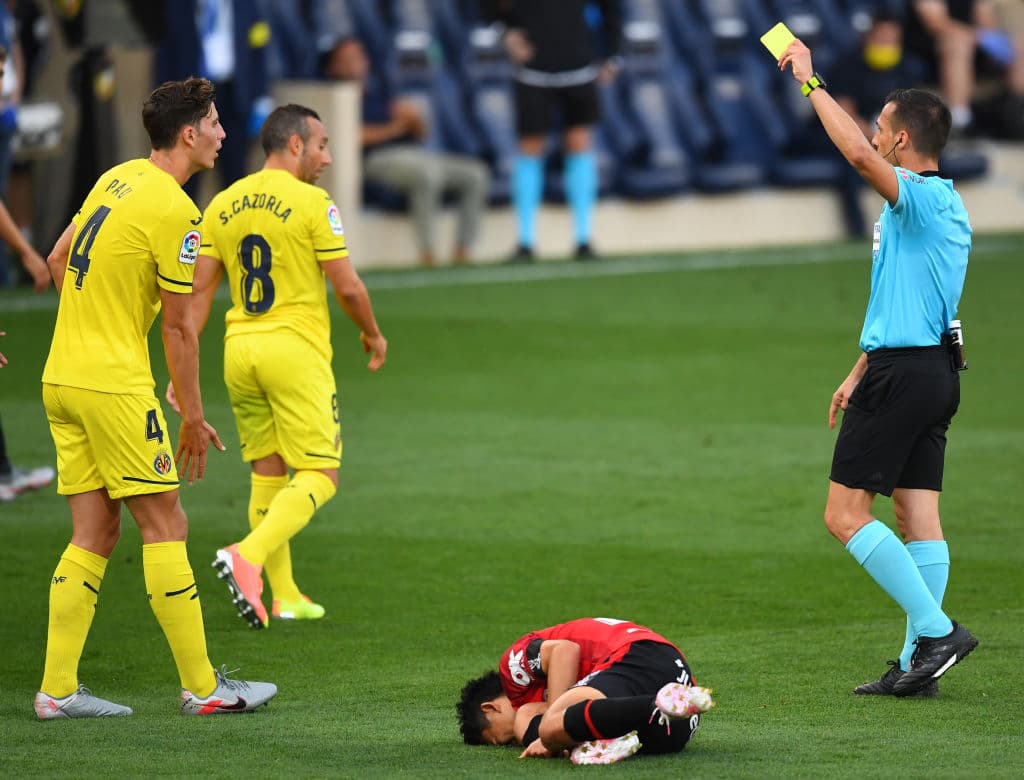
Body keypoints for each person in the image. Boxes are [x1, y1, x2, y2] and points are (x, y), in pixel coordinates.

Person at [36, 76, 277, 718]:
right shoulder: (177, 212)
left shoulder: (115, 178)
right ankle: (203, 690)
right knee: (166, 522)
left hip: (61, 377)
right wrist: (193, 417)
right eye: (217, 123)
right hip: (114, 386)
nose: (225, 135)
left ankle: (56, 690)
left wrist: (94, 325)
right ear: (190, 132)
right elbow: (177, 325)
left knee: (93, 532)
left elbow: (57, 261)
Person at [776, 40, 978, 697]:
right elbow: (916, 300)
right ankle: (920, 665)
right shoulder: (942, 206)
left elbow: (855, 156)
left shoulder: (917, 199)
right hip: (926, 370)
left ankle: (936, 631)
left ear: (898, 140)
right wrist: (861, 365)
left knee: (844, 515)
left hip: (907, 374)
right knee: (918, 520)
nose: (872, 137)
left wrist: (811, 83)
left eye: (879, 129)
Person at [176, 103, 387, 629]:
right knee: (321, 472)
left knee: (268, 471)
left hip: (239, 351)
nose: (329, 158)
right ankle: (247, 555)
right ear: (294, 145)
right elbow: (347, 285)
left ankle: (285, 594)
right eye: (321, 146)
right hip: (293, 351)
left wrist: (183, 372)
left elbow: (199, 292)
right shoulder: (313, 202)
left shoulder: (221, 203)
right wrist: (371, 331)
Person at [323, 36, 490, 267]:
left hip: (413, 154)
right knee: (426, 176)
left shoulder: (379, 92)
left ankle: (463, 250)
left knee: (475, 173)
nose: (356, 63)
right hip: (375, 161)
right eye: (348, 58)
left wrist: (414, 119)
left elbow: (421, 132)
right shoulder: (332, 96)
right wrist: (395, 128)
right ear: (334, 66)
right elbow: (353, 137)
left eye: (359, 57)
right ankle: (428, 253)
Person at [457, 617, 714, 765]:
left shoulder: (513, 674)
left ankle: (656, 704)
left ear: (490, 708)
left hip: (640, 655)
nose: (514, 742)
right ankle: (621, 731)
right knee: (554, 727)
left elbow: (564, 650)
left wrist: (550, 724)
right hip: (676, 729)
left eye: (504, 740)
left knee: (546, 726)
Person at [480, 0, 622, 261]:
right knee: (531, 147)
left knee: (579, 142)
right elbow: (487, 9)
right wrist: (506, 35)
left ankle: (583, 238)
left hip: (578, 65)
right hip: (533, 69)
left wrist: (612, 55)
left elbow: (611, 8)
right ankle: (525, 241)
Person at [829, 10, 927, 236]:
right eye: (882, 38)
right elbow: (845, 112)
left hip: (894, 138)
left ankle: (930, 218)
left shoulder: (907, 66)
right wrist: (875, 136)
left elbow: (915, 110)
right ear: (869, 36)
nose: (887, 44)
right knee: (851, 163)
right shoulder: (848, 65)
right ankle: (857, 228)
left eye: (892, 39)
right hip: (858, 136)